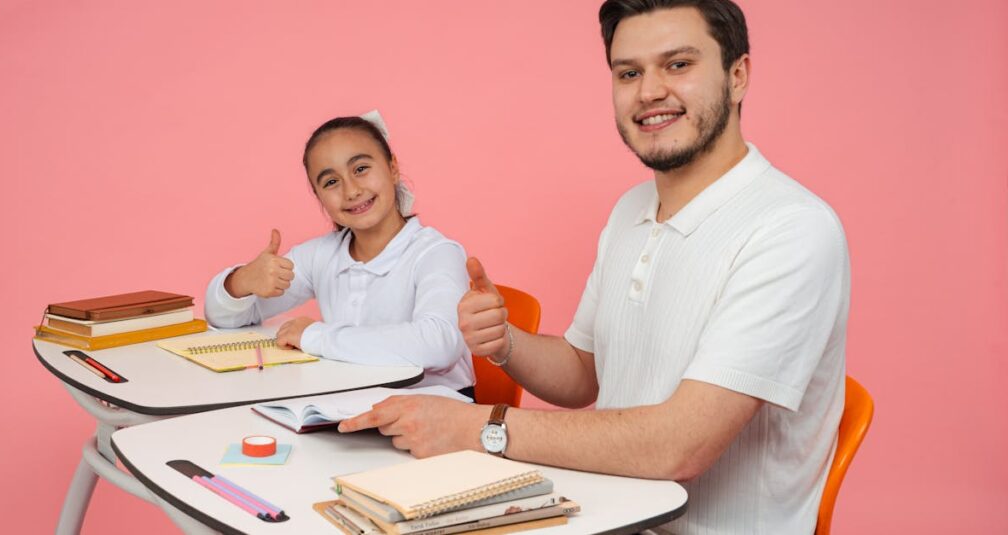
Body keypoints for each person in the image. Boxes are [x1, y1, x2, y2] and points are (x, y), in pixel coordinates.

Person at [339, 1, 849, 533]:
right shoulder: (630, 210)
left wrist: (480, 427)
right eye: (629, 72)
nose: (649, 91)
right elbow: (585, 373)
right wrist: (505, 343)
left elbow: (680, 446)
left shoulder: (792, 229)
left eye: (678, 64)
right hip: (600, 514)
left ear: (738, 75)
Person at [204, 111, 475, 394]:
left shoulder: (435, 253)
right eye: (331, 182)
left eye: (360, 169)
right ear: (318, 196)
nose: (352, 190)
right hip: (354, 405)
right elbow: (222, 318)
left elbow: (440, 343)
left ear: (393, 167)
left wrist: (315, 336)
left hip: (437, 414)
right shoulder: (320, 256)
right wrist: (241, 282)